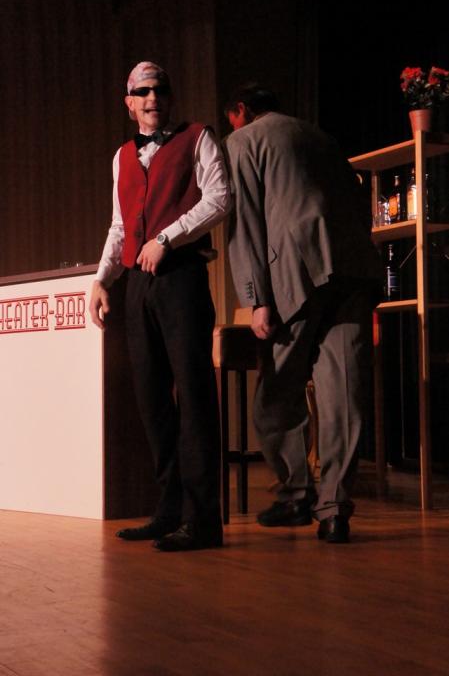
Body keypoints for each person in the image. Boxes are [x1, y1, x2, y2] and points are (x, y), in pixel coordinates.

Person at [224, 83, 382, 543]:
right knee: (343, 395)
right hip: (353, 271)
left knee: (275, 396)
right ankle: (334, 512)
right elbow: (360, 204)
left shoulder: (244, 140)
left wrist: (256, 298)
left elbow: (245, 222)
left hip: (300, 273)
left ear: (240, 111)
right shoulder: (321, 137)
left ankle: (295, 495)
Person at [89, 61, 231, 551]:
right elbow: (120, 226)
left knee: (193, 395)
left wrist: (167, 238)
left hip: (181, 278)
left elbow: (219, 199)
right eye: (143, 92)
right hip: (138, 284)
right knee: (151, 399)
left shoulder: (197, 138)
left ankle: (202, 519)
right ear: (129, 103)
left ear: (170, 97)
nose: (153, 98)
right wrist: (101, 279)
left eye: (161, 90)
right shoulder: (122, 157)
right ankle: (168, 510)